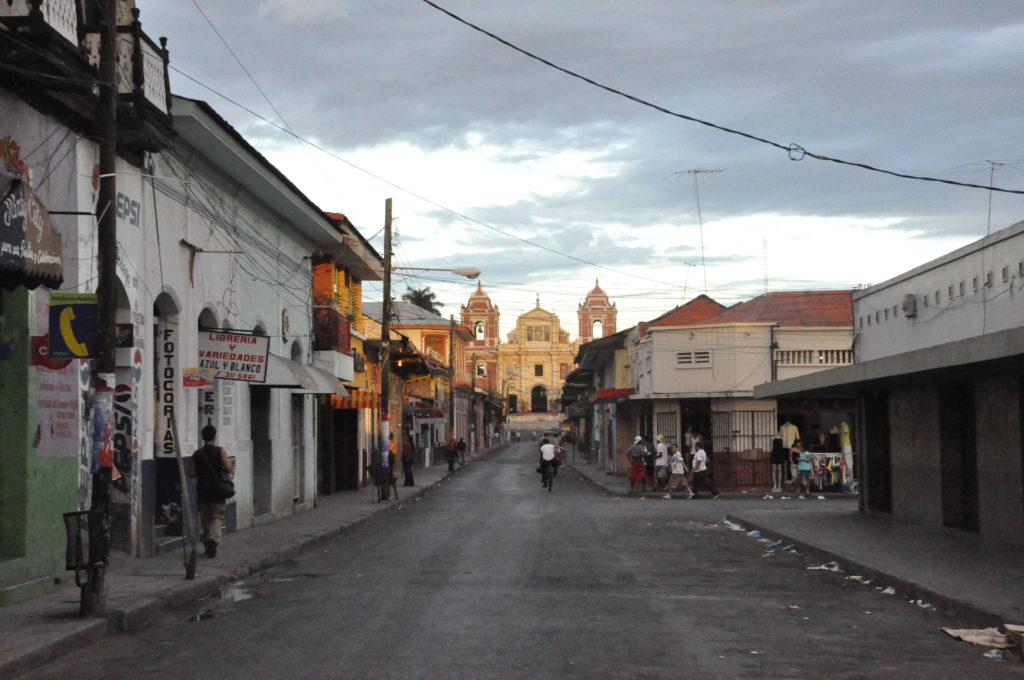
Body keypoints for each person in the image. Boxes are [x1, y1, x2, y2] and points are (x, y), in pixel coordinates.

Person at [189, 424, 233, 558]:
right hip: (217, 490)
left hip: (203, 490)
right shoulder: (220, 451)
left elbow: (192, 472)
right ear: (214, 436)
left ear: (203, 437)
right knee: (217, 516)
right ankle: (212, 539)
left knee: (205, 518)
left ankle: (208, 542)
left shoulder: (197, 454)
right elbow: (228, 467)